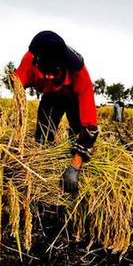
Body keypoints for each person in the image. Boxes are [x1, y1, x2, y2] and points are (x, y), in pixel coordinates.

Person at [13, 30, 99, 193]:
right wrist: (17, 123)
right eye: (52, 71)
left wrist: (74, 167)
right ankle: (44, 164)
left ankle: (75, 165)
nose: (55, 74)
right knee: (42, 137)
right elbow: (17, 87)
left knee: (77, 133)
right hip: (50, 97)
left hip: (73, 98)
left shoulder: (78, 70)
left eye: (59, 70)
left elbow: (90, 128)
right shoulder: (30, 62)